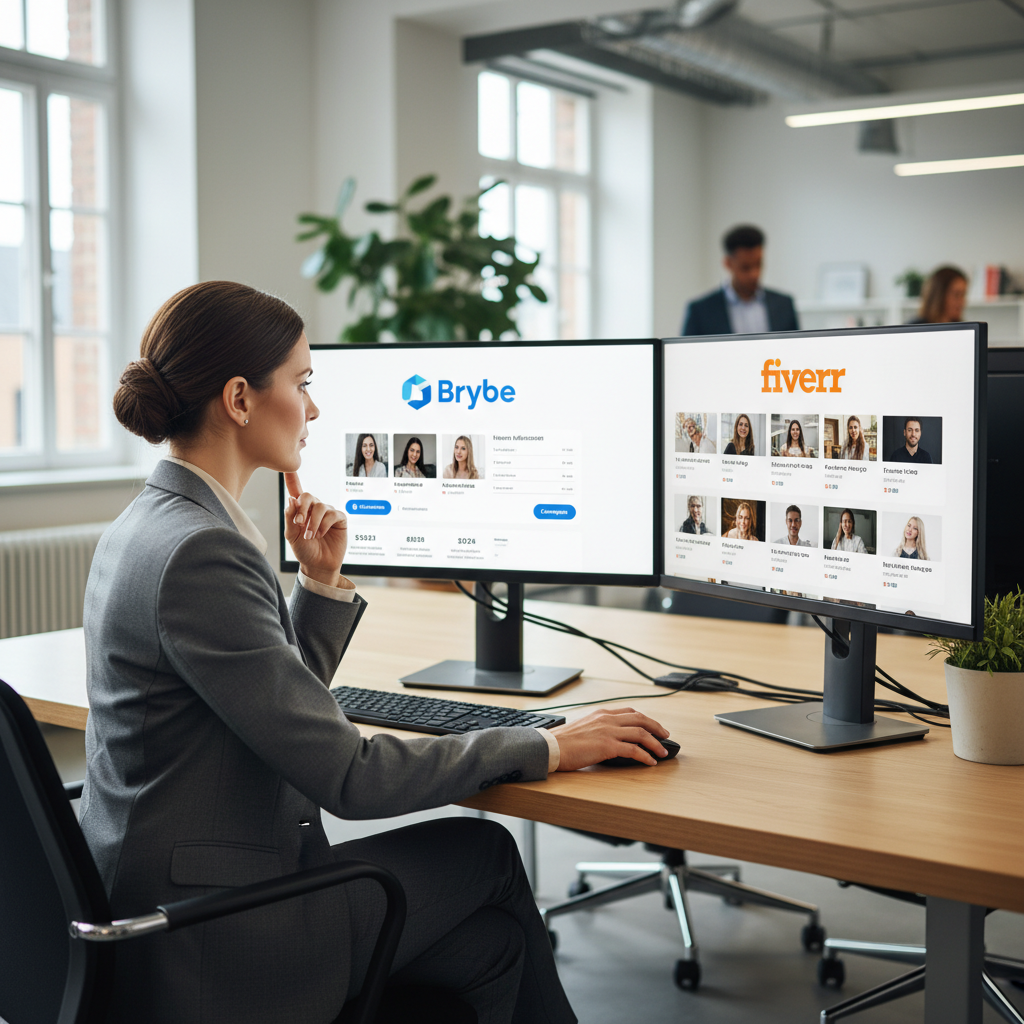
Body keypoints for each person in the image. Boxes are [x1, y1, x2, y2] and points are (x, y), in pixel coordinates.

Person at [85, 281, 671, 1024]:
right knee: (487, 855)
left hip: (151, 898)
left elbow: (270, 710)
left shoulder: (150, 524)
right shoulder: (204, 552)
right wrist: (550, 744)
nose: (315, 409)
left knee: (492, 947)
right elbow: (349, 776)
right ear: (239, 399)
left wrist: (319, 584)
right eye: (302, 383)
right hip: (216, 931)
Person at [681, 225, 799, 336]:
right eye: (745, 267)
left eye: (759, 264)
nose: (755, 274)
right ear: (728, 263)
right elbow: (687, 350)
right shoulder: (701, 311)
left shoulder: (784, 305)